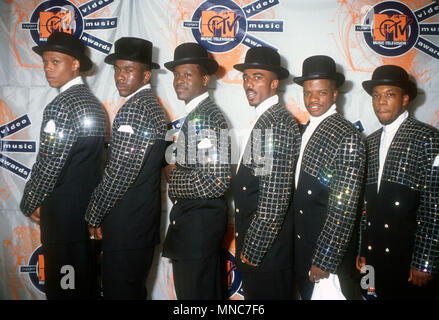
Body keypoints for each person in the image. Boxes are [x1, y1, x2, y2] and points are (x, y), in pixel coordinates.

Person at [20, 31, 106, 299]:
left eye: (55, 62)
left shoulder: (61, 106)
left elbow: (49, 162)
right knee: (85, 286)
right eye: (45, 62)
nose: (47, 68)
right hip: (87, 214)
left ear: (75, 64)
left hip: (63, 218)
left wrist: (29, 201)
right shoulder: (95, 106)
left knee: (65, 289)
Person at [84, 37, 167, 299]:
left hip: (126, 226)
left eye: (128, 70)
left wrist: (94, 214)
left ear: (146, 75)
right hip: (141, 224)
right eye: (117, 69)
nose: (120, 76)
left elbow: (119, 174)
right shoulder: (154, 106)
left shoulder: (134, 110)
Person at [357, 65, 439, 299]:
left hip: (410, 259)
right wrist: (364, 248)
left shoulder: (428, 139)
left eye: (389, 94)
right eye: (376, 95)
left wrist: (425, 261)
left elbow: (435, 207)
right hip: (375, 257)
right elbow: (366, 205)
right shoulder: (369, 141)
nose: (381, 101)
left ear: (405, 99)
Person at [291, 55, 366, 300]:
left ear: (335, 94)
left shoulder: (347, 135)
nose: (313, 100)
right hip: (302, 245)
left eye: (321, 93)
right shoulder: (304, 129)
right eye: (308, 93)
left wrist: (325, 259)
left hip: (325, 257)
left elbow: (343, 208)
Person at [162, 42, 231, 300]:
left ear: (205, 79)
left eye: (187, 74)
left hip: (198, 231)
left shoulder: (208, 117)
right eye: (177, 74)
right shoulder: (197, 114)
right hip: (194, 229)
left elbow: (216, 181)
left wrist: (174, 177)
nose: (179, 80)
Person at [233, 46, 300, 299]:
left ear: (275, 83)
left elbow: (273, 204)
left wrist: (252, 251)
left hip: (267, 255)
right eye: (246, 77)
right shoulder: (267, 118)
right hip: (265, 253)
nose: (249, 84)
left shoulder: (277, 124)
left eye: (257, 77)